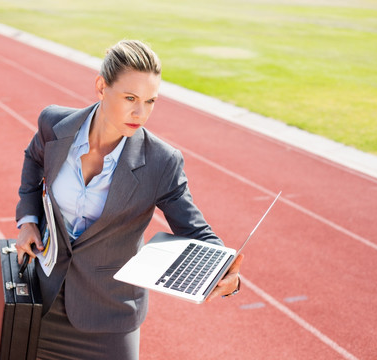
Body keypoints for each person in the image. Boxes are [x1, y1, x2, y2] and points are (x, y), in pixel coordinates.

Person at [15, 39, 243, 360]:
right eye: (130, 98)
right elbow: (33, 160)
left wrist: (224, 269)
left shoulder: (162, 161)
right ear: (101, 87)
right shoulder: (54, 125)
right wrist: (27, 220)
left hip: (110, 317)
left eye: (151, 101)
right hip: (47, 299)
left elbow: (195, 229)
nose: (140, 113)